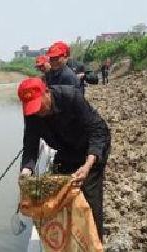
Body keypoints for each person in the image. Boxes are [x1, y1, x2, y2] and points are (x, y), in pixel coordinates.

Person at [18, 77, 111, 242]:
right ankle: (69, 243)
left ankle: (95, 243)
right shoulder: (32, 113)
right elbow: (31, 145)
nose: (38, 111)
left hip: (90, 149)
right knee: (60, 197)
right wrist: (26, 171)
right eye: (33, 108)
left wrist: (87, 165)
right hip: (65, 150)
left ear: (47, 92)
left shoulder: (71, 97)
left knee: (89, 198)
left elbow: (98, 131)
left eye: (40, 105)